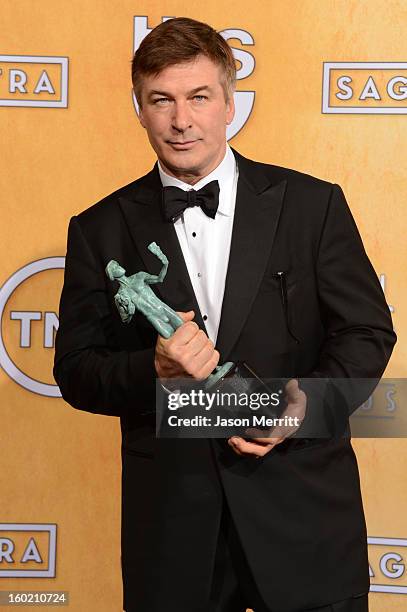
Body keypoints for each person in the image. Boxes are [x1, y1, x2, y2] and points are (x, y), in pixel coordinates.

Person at [54, 17, 396, 612]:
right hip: (173, 539)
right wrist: (152, 369)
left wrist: (300, 409)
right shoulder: (98, 229)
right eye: (161, 100)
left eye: (199, 97)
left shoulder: (313, 206)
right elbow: (77, 370)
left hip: (305, 525)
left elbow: (367, 334)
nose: (181, 120)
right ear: (138, 109)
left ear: (230, 102)